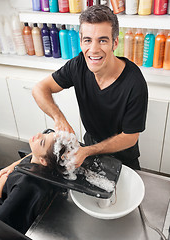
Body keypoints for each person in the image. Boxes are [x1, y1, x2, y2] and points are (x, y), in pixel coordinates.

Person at [32, 5, 148, 170]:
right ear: (80, 41)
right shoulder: (78, 65)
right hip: (89, 151)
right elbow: (39, 89)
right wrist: (59, 119)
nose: (93, 50)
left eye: (102, 40)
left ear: (114, 43)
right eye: (87, 40)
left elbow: (130, 137)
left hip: (124, 161)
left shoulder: (134, 83)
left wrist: (88, 151)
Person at [0, 129, 66, 234]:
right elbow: (32, 155)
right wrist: (12, 165)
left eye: (42, 142)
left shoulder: (25, 185)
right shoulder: (41, 162)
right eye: (45, 134)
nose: (39, 134)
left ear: (43, 161)